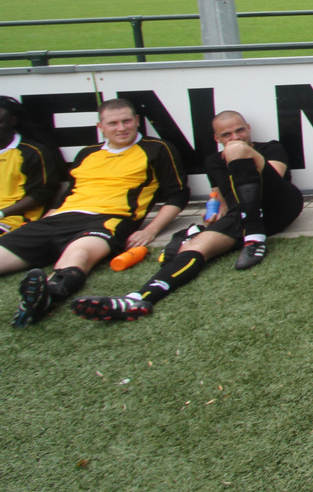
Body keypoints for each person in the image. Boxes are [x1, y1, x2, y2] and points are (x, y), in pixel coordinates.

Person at [70, 110, 306, 321]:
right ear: (216, 138)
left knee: (236, 151)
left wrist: (238, 154)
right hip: (241, 215)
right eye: (226, 135)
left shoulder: (270, 147)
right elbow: (219, 197)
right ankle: (138, 298)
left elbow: (275, 175)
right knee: (194, 246)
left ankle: (254, 238)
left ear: (248, 128)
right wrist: (212, 213)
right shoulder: (213, 161)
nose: (235, 137)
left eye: (240, 130)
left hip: (279, 204)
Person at [2, 98, 188, 328]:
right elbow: (71, 191)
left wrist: (150, 230)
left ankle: (44, 298)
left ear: (137, 120)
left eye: (126, 121)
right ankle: (38, 297)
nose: (121, 128)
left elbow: (178, 195)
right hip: (61, 217)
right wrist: (54, 212)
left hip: (108, 220)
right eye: (113, 123)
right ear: (100, 127)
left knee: (77, 256)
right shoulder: (87, 153)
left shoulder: (158, 148)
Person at [0, 95, 64, 234]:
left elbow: (42, 193)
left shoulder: (33, 152)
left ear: (13, 120)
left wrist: (2, 213)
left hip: (14, 218)